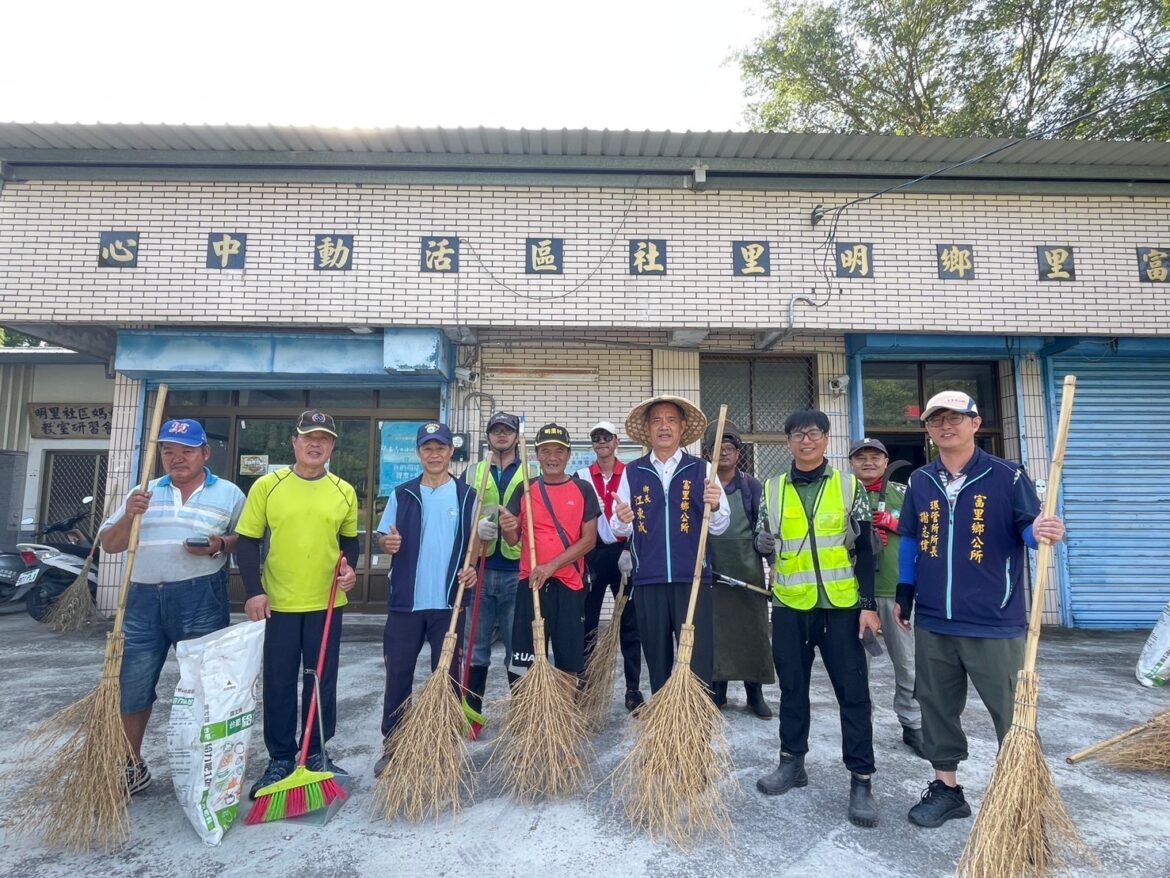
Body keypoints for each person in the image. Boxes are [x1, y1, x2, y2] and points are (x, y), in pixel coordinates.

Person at [895, 390, 1065, 828]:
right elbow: (911, 539)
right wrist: (905, 590)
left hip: (994, 618)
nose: (945, 426)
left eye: (955, 418)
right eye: (936, 421)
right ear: (929, 431)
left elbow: (1026, 530)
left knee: (1011, 712)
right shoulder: (920, 480)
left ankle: (1024, 798)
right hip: (934, 617)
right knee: (935, 704)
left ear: (976, 422)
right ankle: (947, 788)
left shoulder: (1007, 476)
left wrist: (1041, 531)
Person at [100, 418, 244, 796]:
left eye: (186, 451)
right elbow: (110, 544)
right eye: (169, 451)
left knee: (204, 685)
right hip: (143, 600)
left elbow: (244, 541)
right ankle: (130, 764)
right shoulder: (142, 493)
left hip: (200, 596)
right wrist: (131, 513)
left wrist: (219, 544)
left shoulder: (229, 494)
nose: (177, 458)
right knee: (133, 685)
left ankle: (203, 766)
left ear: (205, 454)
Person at [755, 409, 881, 829]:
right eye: (796, 434)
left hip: (842, 606)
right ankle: (792, 763)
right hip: (791, 605)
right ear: (787, 441)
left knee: (853, 693)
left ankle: (861, 778)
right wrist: (761, 543)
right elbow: (763, 541)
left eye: (812, 433)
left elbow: (866, 549)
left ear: (826, 438)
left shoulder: (850, 487)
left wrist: (868, 605)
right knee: (793, 689)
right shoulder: (771, 489)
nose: (804, 441)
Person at [236, 410, 360, 799]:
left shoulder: (344, 490)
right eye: (309, 437)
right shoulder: (268, 486)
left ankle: (318, 751)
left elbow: (350, 540)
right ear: (294, 441)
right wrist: (254, 590)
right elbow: (247, 541)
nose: (315, 444)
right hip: (280, 603)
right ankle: (281, 758)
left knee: (321, 680)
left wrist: (350, 569)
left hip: (326, 603)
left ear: (332, 446)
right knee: (279, 681)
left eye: (324, 438)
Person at [374, 422, 478, 776]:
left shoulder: (468, 496)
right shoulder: (402, 494)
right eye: (427, 448)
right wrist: (385, 545)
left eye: (441, 448)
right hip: (406, 603)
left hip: (450, 603)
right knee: (398, 675)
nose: (434, 454)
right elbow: (382, 538)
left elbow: (477, 544)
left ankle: (442, 744)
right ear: (419, 453)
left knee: (448, 678)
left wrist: (473, 567)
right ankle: (394, 744)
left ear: (451, 452)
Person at [611, 396, 728, 694]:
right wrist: (623, 519)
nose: (664, 426)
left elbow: (721, 524)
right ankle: (666, 727)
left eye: (671, 420)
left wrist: (713, 506)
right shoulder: (633, 471)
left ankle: (696, 727)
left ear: (683, 427)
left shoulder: (701, 470)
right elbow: (618, 526)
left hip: (693, 578)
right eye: (657, 420)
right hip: (649, 578)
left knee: (698, 660)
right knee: (657, 660)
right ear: (648, 429)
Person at [501, 423, 599, 680]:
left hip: (569, 585)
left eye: (559, 451)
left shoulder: (583, 489)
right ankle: (528, 715)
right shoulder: (525, 488)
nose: (552, 457)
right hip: (530, 583)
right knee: (524, 660)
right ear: (536, 455)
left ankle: (562, 717)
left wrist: (552, 566)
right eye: (546, 451)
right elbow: (512, 540)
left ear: (568, 455)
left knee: (569, 659)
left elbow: (589, 541)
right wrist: (507, 527)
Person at [848, 437, 925, 758]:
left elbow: (928, 533)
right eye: (861, 457)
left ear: (885, 460)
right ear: (851, 462)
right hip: (854, 594)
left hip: (897, 592)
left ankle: (912, 724)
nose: (868, 462)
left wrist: (892, 524)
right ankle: (859, 724)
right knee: (856, 667)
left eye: (875, 457)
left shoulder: (905, 495)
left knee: (908, 663)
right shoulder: (845, 495)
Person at [461, 412, 532, 725]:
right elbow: (464, 516)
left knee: (518, 648)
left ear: (516, 436)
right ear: (488, 436)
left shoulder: (532, 469)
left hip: (518, 570)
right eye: (496, 431)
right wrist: (476, 536)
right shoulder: (473, 471)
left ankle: (520, 714)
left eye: (507, 431)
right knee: (475, 647)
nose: (502, 435)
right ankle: (473, 714)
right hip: (481, 568)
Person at [701, 420, 774, 719]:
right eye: (718, 449)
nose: (725, 454)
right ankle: (718, 690)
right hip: (713, 571)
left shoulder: (750, 485)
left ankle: (754, 692)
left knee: (752, 633)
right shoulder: (703, 484)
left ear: (739, 453)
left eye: (729, 448)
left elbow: (764, 525)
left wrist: (769, 557)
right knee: (717, 634)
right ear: (708, 454)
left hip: (747, 570)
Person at [576, 420, 644, 711]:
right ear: (592, 444)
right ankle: (585, 682)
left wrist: (630, 548)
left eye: (606, 437)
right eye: (596, 438)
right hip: (593, 553)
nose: (602, 442)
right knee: (587, 620)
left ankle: (632, 688)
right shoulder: (581, 476)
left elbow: (641, 516)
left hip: (625, 554)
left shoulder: (632, 474)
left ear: (617, 441)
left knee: (630, 622)